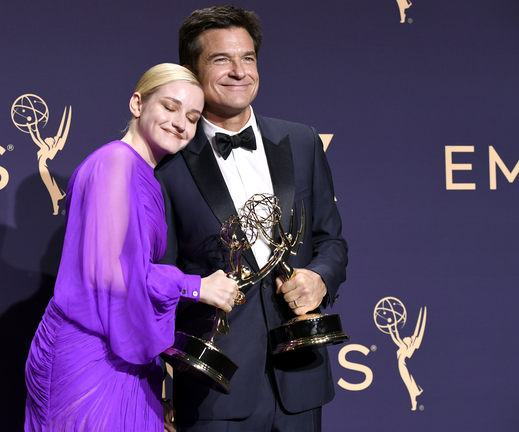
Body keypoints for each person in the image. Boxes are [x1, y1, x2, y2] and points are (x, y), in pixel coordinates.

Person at [155, 6, 349, 432]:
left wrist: (319, 278)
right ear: (191, 69)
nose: (239, 71)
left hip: (300, 377)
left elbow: (330, 241)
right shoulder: (166, 165)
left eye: (248, 58)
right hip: (213, 387)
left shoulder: (300, 141)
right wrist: (160, 388)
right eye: (221, 59)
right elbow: (158, 281)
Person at [24, 63, 240, 432]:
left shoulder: (145, 174)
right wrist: (194, 286)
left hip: (122, 352)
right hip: (91, 354)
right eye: (169, 107)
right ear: (137, 104)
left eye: (191, 116)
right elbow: (112, 275)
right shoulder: (114, 163)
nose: (180, 123)